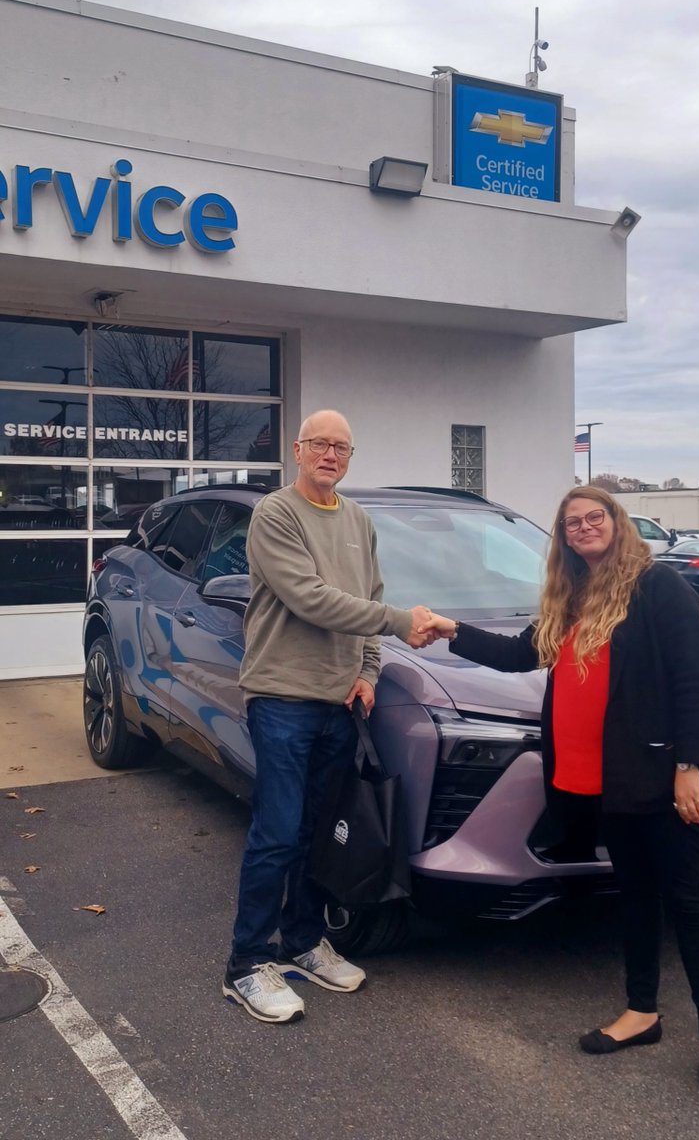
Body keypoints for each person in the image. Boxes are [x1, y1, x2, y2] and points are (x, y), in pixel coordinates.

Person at [425, 486, 699, 1109]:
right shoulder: (572, 596)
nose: (583, 528)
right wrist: (450, 630)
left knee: (691, 905)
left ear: (616, 521)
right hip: (608, 782)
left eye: (594, 516)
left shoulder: (658, 588)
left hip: (665, 779)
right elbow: (521, 653)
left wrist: (688, 766)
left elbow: (692, 681)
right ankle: (641, 1012)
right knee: (635, 898)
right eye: (571, 523)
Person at [222, 409, 433, 1024]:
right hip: (283, 698)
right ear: (297, 449)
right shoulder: (276, 513)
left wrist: (368, 671)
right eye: (320, 444)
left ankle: (303, 942)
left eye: (342, 446)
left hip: (340, 704)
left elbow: (366, 601)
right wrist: (399, 622)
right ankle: (245, 964)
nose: (331, 455)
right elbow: (309, 599)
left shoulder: (359, 521)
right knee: (279, 832)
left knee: (320, 833)